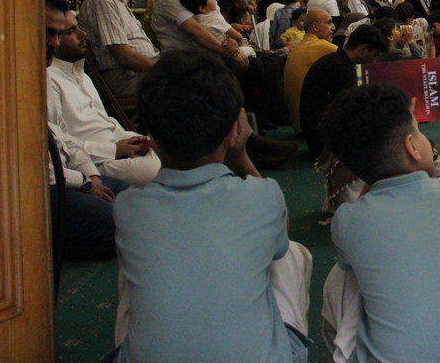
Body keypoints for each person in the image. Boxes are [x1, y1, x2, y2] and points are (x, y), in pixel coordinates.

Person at [109, 51, 313, 363]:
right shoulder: (262, 194)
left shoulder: (127, 207)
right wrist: (241, 156)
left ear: (151, 137)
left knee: (130, 278)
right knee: (292, 253)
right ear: (234, 130)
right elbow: (278, 243)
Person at [318, 84, 440, 363]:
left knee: (340, 278)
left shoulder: (347, 219)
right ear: (412, 146)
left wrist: (371, 175)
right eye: (419, 131)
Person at [46, 0, 129, 260]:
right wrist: (82, 180)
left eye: (57, 33)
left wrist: (90, 174)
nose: (54, 43)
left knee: (140, 204)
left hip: (75, 174)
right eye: (49, 33)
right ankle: (43, 247)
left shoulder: (44, 73)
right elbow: (37, 170)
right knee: (128, 226)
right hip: (50, 187)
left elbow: (61, 134)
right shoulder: (39, 78)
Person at [50, 10, 160, 186]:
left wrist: (133, 139)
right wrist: (114, 150)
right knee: (157, 169)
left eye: (78, 27)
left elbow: (105, 122)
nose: (82, 34)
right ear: (54, 39)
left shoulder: (81, 75)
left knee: (172, 154)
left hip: (117, 149)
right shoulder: (50, 78)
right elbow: (62, 142)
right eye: (71, 31)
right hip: (92, 162)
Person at [299, 25, 390, 180]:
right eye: (374, 55)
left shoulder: (333, 62)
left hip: (315, 136)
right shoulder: (342, 71)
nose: (374, 61)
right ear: (363, 49)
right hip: (324, 145)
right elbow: (350, 115)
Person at [77, 0, 159, 97]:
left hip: (140, 71)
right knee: (188, 84)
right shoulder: (102, 0)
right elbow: (124, 57)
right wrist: (162, 69)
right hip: (126, 77)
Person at [282, 8, 337, 131]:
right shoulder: (320, 46)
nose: (333, 27)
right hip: (311, 126)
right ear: (315, 26)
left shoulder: (299, 47)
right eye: (329, 22)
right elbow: (351, 57)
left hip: (299, 124)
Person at [179, 0, 255, 58]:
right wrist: (242, 45)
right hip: (224, 54)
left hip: (206, 55)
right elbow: (238, 36)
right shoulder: (213, 18)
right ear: (202, 8)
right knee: (251, 50)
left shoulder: (195, 20)